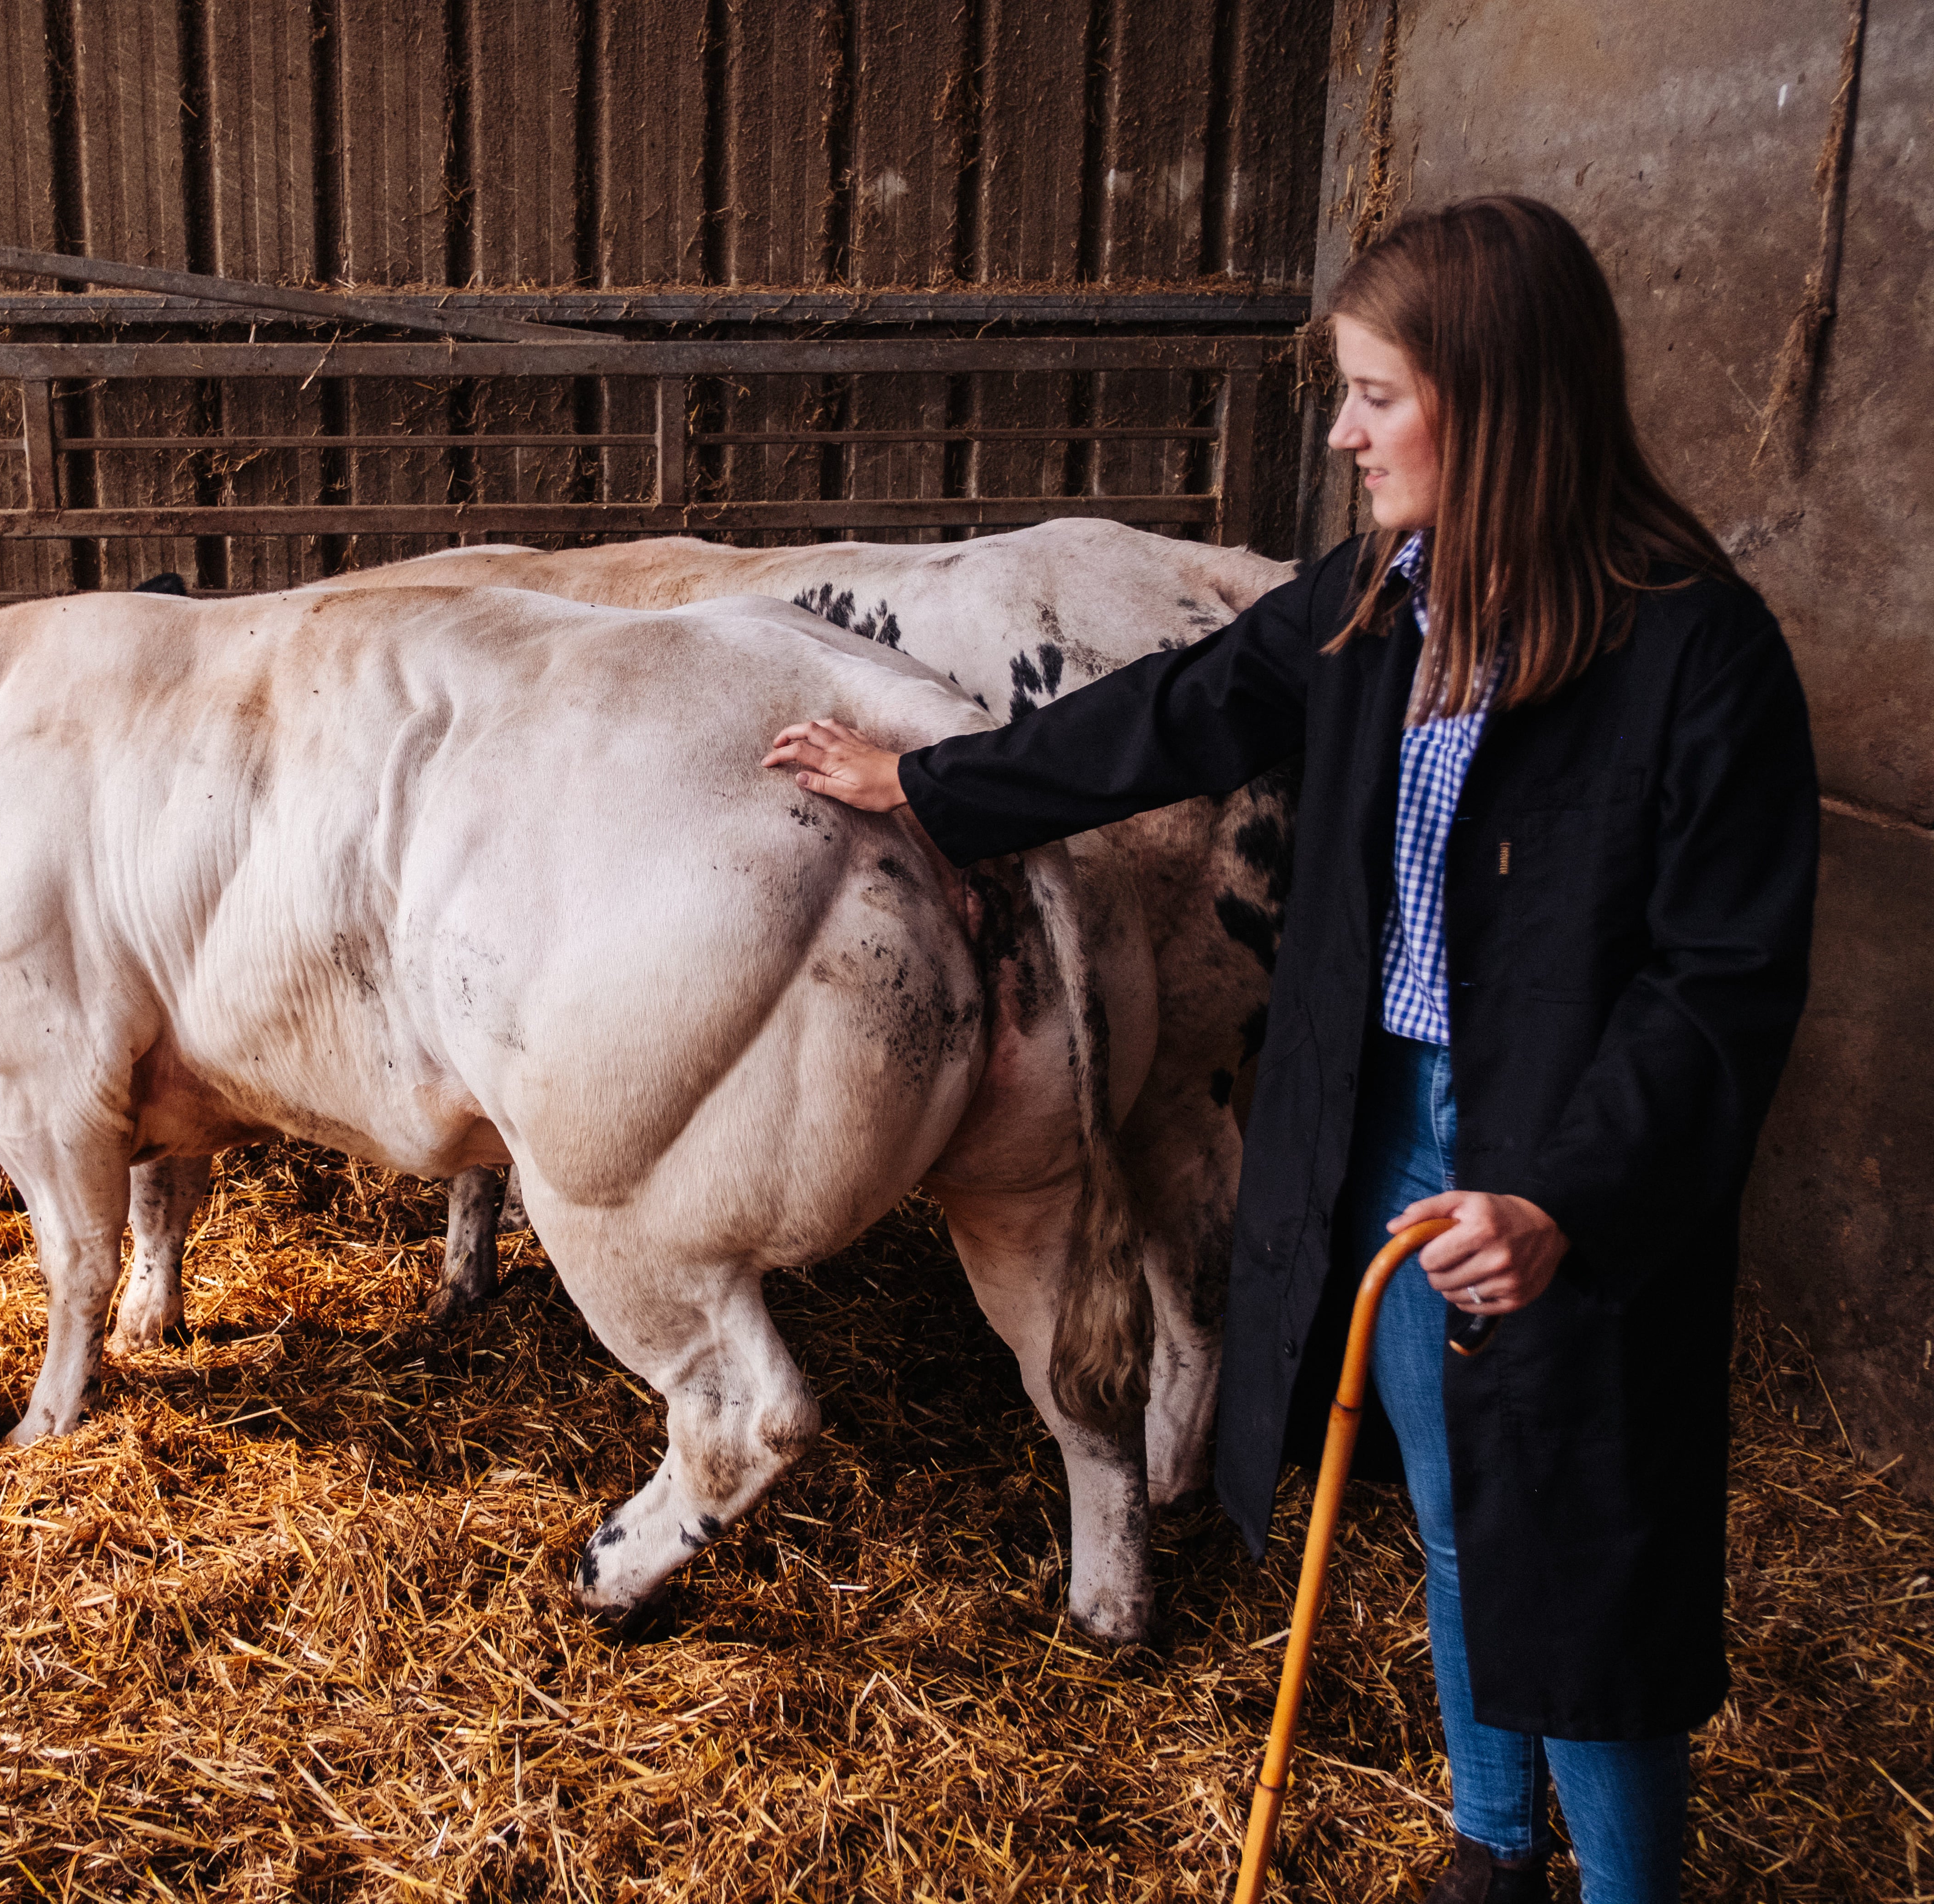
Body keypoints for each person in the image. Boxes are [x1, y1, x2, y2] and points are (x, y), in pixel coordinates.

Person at [761, 195, 1817, 1904]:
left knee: (1585, 1553)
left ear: (1500, 400)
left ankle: (1629, 1887)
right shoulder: (1384, 598)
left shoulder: (1697, 656)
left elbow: (1721, 988)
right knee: (1460, 1512)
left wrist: (1564, 1196)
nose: (1341, 432)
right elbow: (1178, 713)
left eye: (1377, 396)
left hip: (1569, 1159)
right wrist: (935, 785)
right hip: (1386, 1123)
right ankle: (1492, 1851)